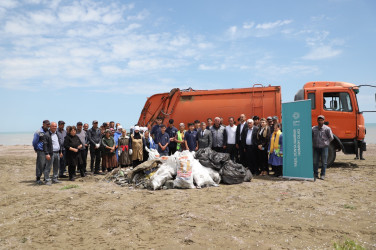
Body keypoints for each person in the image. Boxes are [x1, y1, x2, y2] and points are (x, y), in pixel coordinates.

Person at [312, 115, 333, 180]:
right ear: (317, 121)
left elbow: (331, 137)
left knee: (324, 162)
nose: (320, 121)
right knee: (315, 162)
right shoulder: (313, 129)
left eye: (322, 120)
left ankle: (322, 174)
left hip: (324, 148)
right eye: (319, 120)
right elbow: (311, 136)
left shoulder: (327, 129)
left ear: (324, 121)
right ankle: (315, 174)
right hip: (316, 148)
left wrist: (326, 143)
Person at [32, 120, 50, 185]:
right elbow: (34, 141)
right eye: (47, 124)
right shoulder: (39, 132)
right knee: (40, 164)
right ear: (43, 124)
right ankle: (38, 178)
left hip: (47, 151)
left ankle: (46, 177)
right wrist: (35, 148)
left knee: (47, 164)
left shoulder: (48, 131)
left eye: (48, 124)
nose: (48, 125)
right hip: (41, 150)